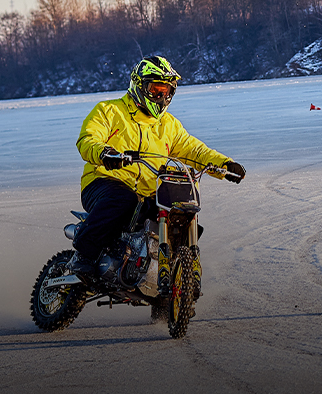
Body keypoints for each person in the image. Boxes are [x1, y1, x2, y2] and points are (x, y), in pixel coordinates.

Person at [69, 55, 246, 278]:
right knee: (123, 200)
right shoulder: (109, 111)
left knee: (178, 214)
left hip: (149, 190)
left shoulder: (169, 125)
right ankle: (83, 255)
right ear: (138, 85)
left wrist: (225, 164)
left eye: (166, 91)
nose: (161, 96)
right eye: (155, 90)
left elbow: (193, 150)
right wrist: (106, 154)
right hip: (104, 181)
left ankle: (163, 275)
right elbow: (88, 139)